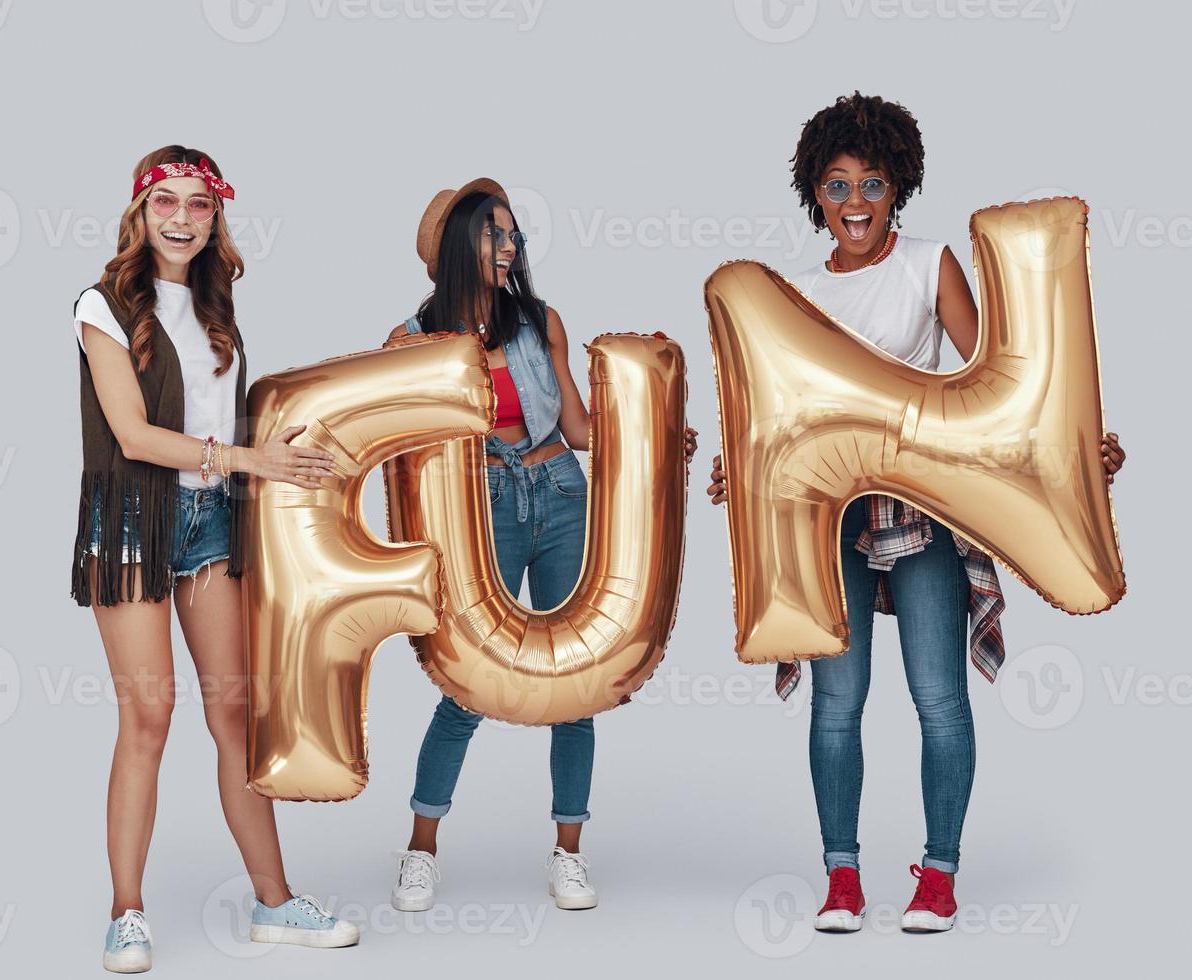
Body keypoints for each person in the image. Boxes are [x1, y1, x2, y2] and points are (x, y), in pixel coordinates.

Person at [707, 94, 1126, 934]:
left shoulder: (929, 263)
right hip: (829, 516)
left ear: (897, 186)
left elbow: (990, 381)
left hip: (925, 507)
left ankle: (937, 876)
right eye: (836, 184)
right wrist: (742, 467)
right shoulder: (790, 292)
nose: (854, 201)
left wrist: (1074, 452)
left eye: (871, 181)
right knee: (839, 701)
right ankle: (841, 878)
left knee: (937, 696)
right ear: (813, 194)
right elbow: (779, 413)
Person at [72, 146, 358, 972]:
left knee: (234, 714)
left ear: (215, 218)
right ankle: (127, 913)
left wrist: (280, 452)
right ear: (139, 212)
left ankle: (274, 903)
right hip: (131, 518)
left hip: (209, 521)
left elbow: (229, 425)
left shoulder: (216, 304)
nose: (182, 219)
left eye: (199, 205)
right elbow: (132, 435)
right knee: (149, 717)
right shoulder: (101, 305)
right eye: (166, 202)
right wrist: (250, 463)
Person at [385, 178, 696, 914]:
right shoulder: (411, 342)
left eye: (512, 233)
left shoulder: (540, 323)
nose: (510, 245)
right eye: (494, 234)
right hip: (479, 505)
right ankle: (421, 849)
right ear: (461, 246)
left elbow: (583, 430)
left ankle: (568, 853)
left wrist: (653, 435)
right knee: (465, 686)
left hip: (556, 492)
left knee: (576, 685)